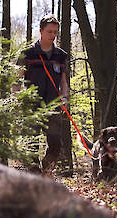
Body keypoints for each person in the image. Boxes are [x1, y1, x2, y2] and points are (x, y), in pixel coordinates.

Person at [14, 14, 69, 176]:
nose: (53, 35)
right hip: (31, 106)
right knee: (31, 146)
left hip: (53, 106)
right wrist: (18, 101)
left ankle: (45, 168)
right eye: (50, 32)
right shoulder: (27, 53)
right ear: (41, 31)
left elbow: (64, 82)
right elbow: (15, 81)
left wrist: (65, 98)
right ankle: (35, 177)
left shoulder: (61, 55)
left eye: (55, 32)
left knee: (55, 145)